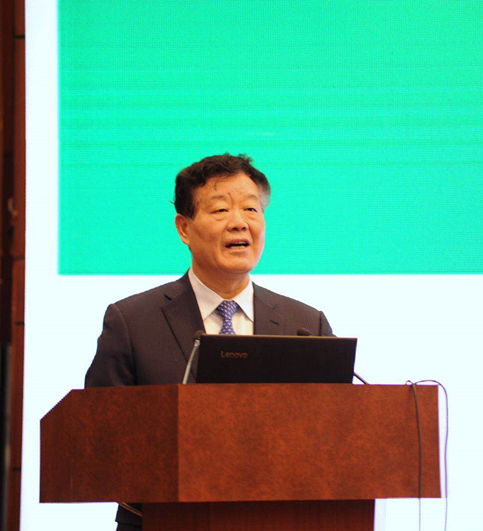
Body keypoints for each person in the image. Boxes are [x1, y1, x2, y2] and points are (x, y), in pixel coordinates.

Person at [85, 153, 333, 530]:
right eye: (220, 210)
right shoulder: (132, 322)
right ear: (184, 228)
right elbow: (99, 436)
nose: (239, 222)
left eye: (251, 209)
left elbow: (335, 433)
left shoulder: (306, 324)